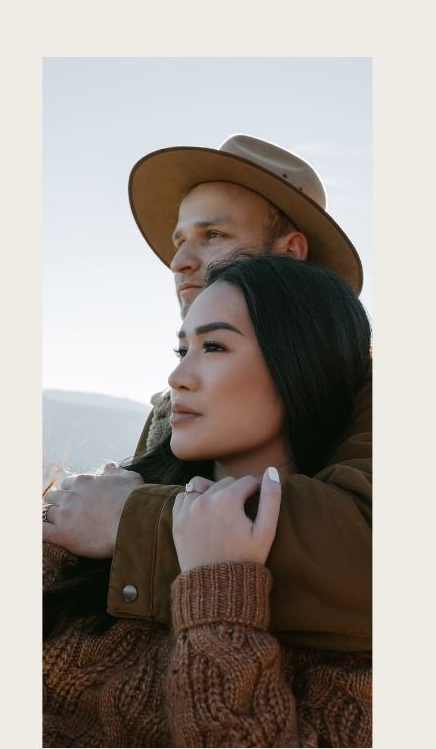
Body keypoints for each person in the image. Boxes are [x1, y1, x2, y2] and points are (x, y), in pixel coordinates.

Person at [43, 136, 371, 650]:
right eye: (179, 240)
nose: (179, 261)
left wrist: (133, 520)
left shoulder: (375, 388)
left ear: (291, 253)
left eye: (213, 235)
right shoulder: (170, 409)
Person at [42, 254, 371, 747]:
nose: (178, 377)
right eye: (182, 350)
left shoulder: (351, 638)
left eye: (214, 346)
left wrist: (220, 596)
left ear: (302, 364)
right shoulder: (88, 517)